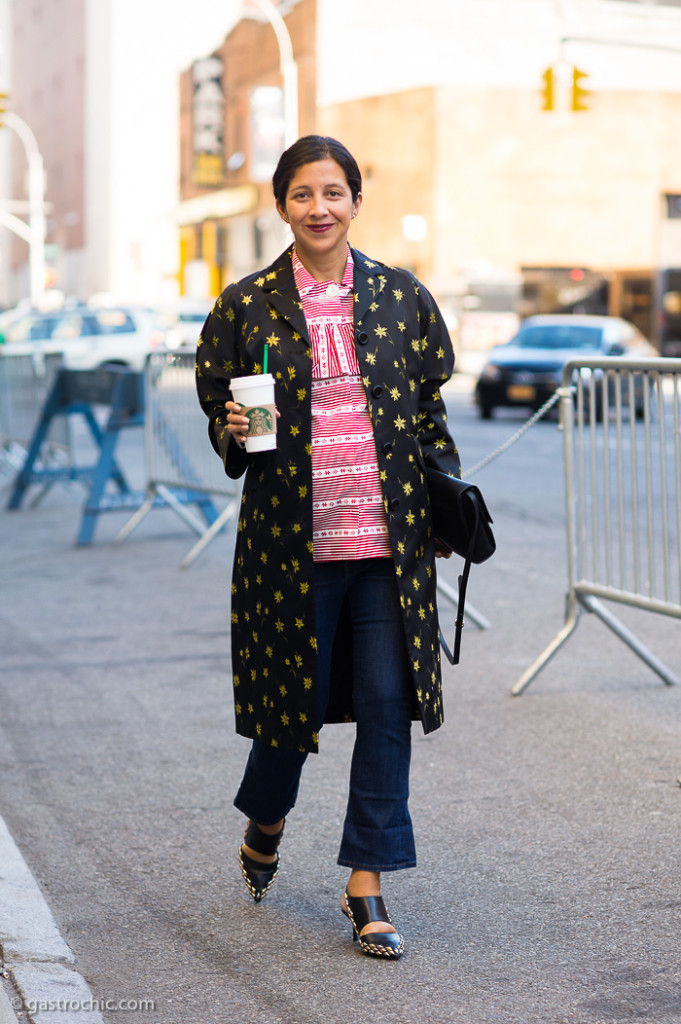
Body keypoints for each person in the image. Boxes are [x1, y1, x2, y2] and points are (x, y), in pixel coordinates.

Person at [196, 135, 461, 960]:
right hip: (290, 547)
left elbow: (426, 418)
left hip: (384, 548)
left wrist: (445, 505)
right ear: (282, 204)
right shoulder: (245, 306)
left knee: (388, 708)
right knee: (288, 713)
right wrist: (230, 428)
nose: (320, 208)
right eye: (304, 194)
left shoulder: (400, 297)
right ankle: (265, 821)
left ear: (355, 201)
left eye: (335, 192)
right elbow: (222, 417)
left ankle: (367, 883)